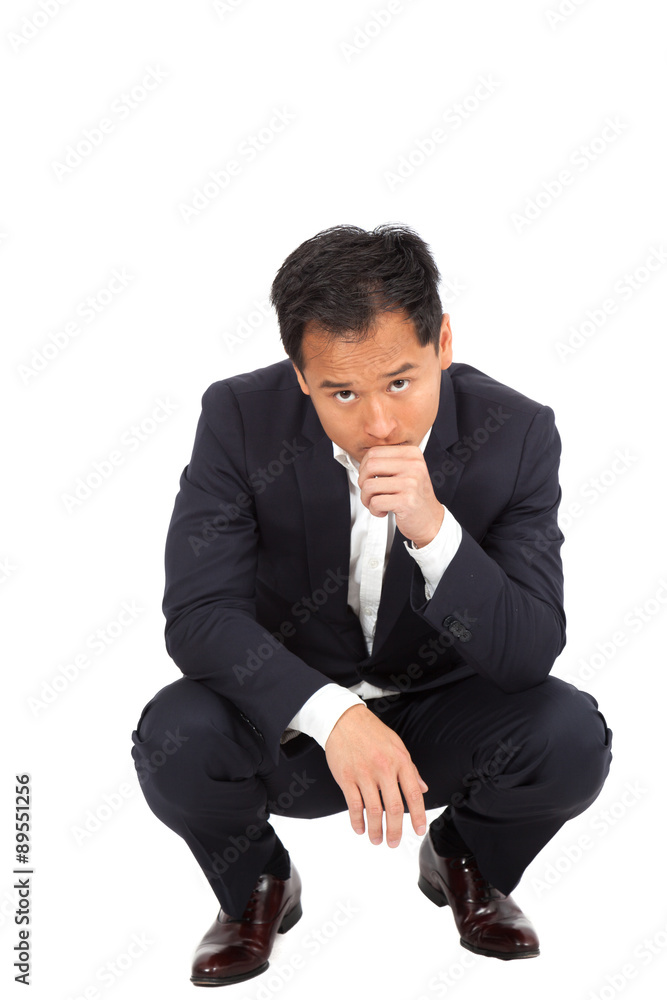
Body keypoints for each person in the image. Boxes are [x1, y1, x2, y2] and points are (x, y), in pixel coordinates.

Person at [130, 223, 613, 987]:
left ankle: (466, 856)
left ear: (442, 343)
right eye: (342, 393)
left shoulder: (517, 433)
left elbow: (527, 652)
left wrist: (433, 529)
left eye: (399, 382)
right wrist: (331, 715)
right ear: (301, 376)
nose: (379, 424)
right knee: (174, 735)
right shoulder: (239, 418)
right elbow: (198, 614)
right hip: (294, 727)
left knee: (570, 736)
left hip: (440, 721)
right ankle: (257, 883)